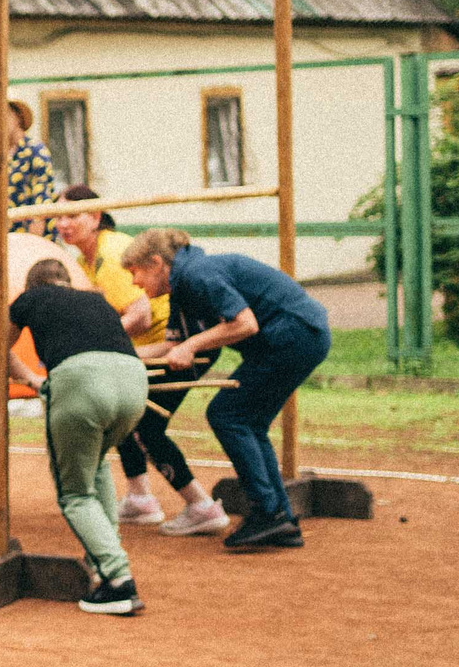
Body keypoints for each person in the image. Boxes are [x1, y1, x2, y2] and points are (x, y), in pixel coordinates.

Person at [118, 229, 332, 551]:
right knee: (247, 421)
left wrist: (191, 345)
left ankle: (269, 513)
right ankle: (280, 518)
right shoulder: (183, 285)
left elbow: (245, 323)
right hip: (298, 336)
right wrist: (118, 357)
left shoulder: (197, 274)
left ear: (157, 263)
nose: (134, 282)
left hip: (295, 335)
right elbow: (173, 345)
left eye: (135, 272)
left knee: (228, 414)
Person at [54, 188, 227, 538]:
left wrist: (99, 345)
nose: (63, 223)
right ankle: (140, 498)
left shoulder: (111, 252)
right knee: (120, 413)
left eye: (73, 215)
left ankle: (200, 505)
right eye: (57, 216)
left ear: (96, 217)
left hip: (175, 343)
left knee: (144, 425)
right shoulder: (86, 258)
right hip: (150, 348)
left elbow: (141, 314)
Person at [8, 257, 148, 615]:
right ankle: (101, 560)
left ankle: (119, 581)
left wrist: (31, 379)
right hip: (134, 383)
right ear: (68, 281)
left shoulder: (29, 299)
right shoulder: (96, 299)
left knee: (73, 494)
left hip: (81, 383)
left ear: (32, 285)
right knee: (95, 462)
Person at [0, 97, 67, 244]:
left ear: (17, 117)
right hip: (6, 241)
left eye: (4, 115)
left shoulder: (35, 151)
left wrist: (31, 246)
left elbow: (41, 206)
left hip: (33, 241)